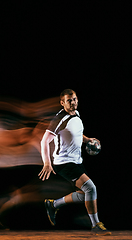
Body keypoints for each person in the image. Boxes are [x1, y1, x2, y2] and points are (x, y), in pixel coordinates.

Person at [39, 89, 111, 236]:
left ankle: (53, 204)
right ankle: (96, 225)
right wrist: (47, 162)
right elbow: (44, 141)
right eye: (69, 100)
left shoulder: (76, 114)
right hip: (63, 163)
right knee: (91, 189)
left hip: (76, 161)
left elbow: (75, 132)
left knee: (86, 194)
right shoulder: (59, 119)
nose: (73, 102)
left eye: (75, 99)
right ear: (62, 103)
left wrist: (87, 139)